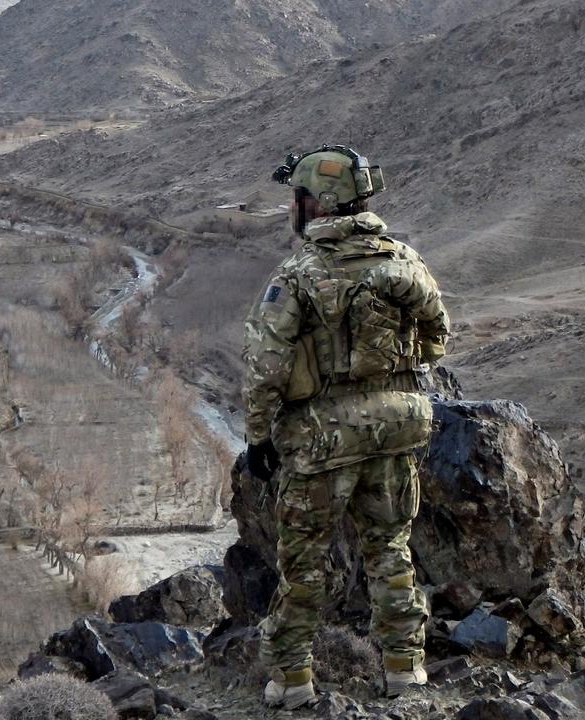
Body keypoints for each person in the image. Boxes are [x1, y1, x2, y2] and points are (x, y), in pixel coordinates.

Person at [240, 145, 450, 709]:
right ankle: (406, 671)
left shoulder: (300, 274)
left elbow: (266, 365)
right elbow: (437, 336)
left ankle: (292, 681)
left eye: (299, 196)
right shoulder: (404, 261)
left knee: (304, 563)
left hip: (322, 440)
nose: (294, 206)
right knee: (390, 549)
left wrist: (258, 436)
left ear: (317, 203)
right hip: (400, 427)